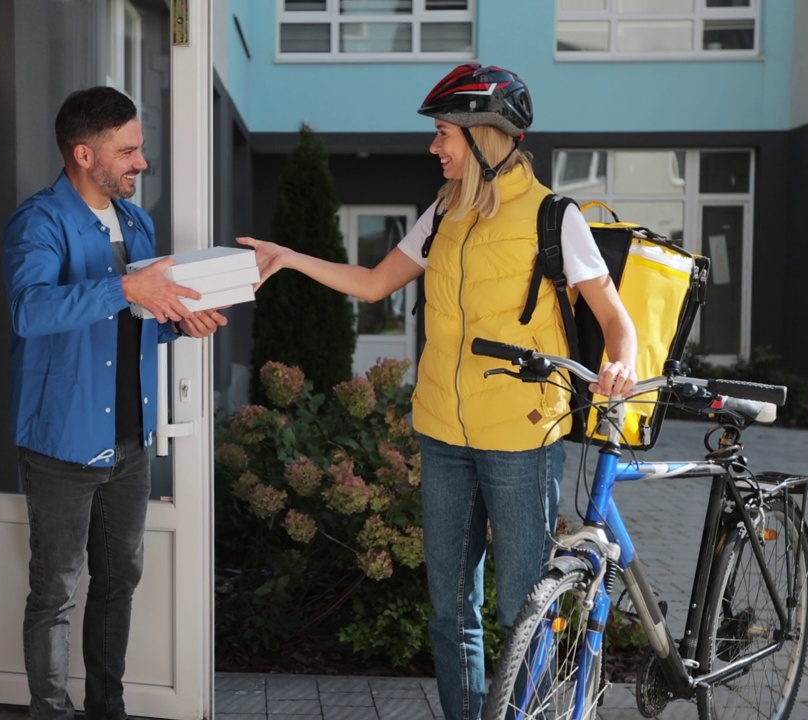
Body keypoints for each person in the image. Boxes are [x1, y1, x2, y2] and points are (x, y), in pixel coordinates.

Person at [238, 64, 637, 720]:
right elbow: (372, 283)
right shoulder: (443, 213)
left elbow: (616, 325)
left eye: (444, 132)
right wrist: (287, 257)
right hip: (444, 438)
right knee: (451, 615)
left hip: (520, 439)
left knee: (521, 613)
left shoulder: (552, 218)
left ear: (487, 136)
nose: (435, 146)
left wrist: (621, 367)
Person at [2, 86, 227, 720]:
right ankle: (50, 712)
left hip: (129, 438)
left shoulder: (136, 223)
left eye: (141, 149)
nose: (141, 163)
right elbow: (30, 309)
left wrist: (180, 319)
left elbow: (137, 319)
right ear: (83, 154)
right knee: (55, 590)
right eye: (127, 151)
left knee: (118, 583)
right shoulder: (39, 221)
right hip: (63, 442)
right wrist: (127, 284)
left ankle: (109, 708)